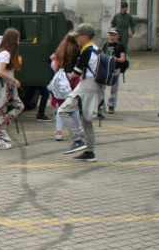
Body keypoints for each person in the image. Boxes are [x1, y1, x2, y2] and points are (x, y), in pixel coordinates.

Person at [57, 24, 103, 162]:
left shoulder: (87, 51)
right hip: (96, 86)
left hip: (86, 85)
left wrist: (67, 75)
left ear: (85, 37)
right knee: (86, 119)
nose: (76, 39)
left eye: (78, 36)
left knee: (63, 111)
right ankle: (90, 151)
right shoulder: (97, 49)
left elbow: (76, 73)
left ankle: (77, 140)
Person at [0, 28, 24, 149]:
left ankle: (0, 129)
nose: (19, 41)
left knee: (17, 106)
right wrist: (14, 81)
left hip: (6, 85)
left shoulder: (3, 53)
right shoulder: (6, 54)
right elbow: (1, 72)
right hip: (3, 86)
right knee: (1, 111)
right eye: (18, 39)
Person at [51, 33, 82, 142]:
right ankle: (78, 128)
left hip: (61, 78)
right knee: (73, 105)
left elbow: (55, 66)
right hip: (73, 78)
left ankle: (59, 131)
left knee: (61, 106)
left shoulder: (60, 49)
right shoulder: (78, 50)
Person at [99, 27, 128, 115]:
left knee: (114, 88)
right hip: (105, 69)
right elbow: (102, 56)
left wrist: (115, 59)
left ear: (118, 36)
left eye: (114, 35)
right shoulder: (106, 44)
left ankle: (111, 105)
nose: (112, 37)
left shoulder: (120, 46)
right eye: (111, 35)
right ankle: (101, 105)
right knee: (102, 88)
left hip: (115, 69)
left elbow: (123, 59)